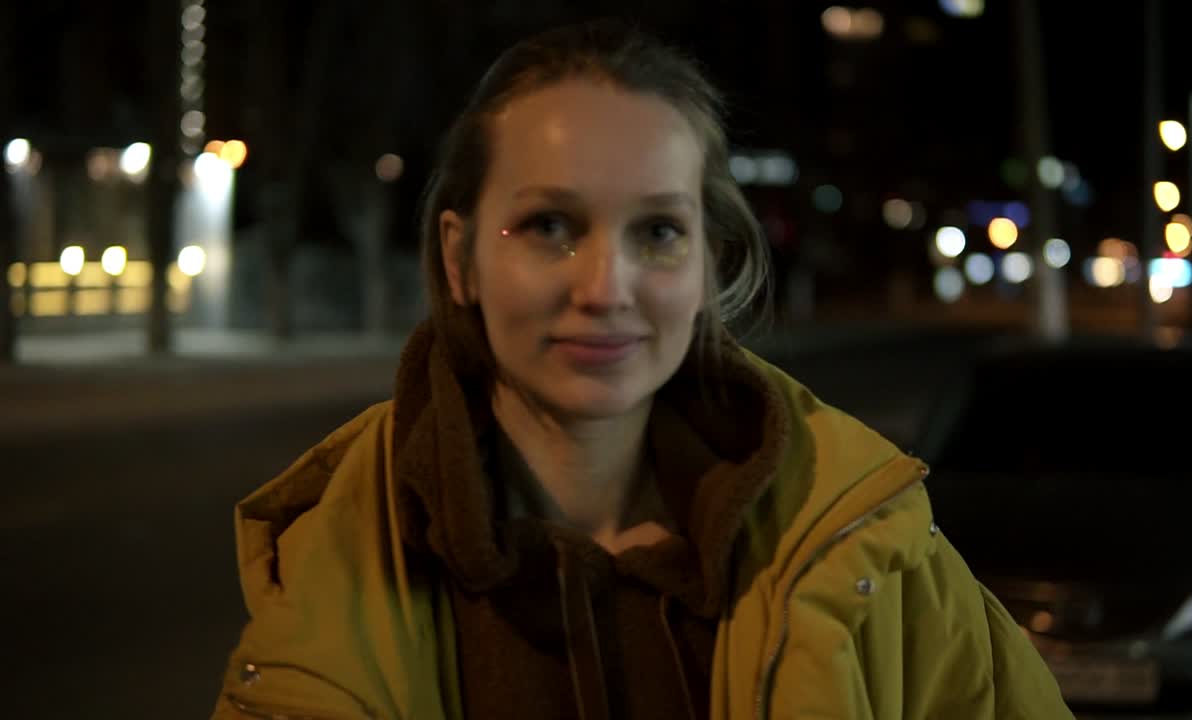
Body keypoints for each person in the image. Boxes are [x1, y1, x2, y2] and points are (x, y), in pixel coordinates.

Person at [212, 20, 1072, 720]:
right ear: (460, 257)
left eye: (658, 231)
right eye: (550, 224)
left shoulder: (868, 553)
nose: (603, 289)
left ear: (708, 264)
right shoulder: (339, 563)